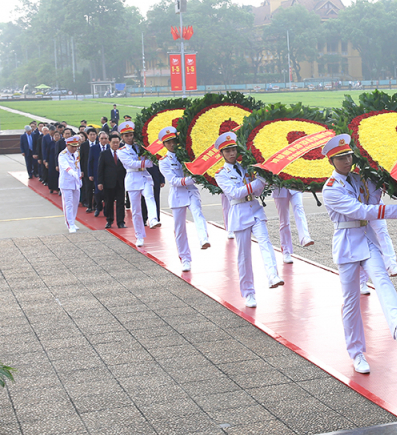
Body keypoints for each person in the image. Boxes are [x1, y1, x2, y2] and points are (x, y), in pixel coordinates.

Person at [321, 134, 397, 375]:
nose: (346, 160)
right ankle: (356, 352)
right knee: (351, 302)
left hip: (366, 240)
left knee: (383, 280)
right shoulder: (331, 189)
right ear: (331, 161)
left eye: (348, 156)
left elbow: (380, 192)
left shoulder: (361, 179)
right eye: (340, 158)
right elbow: (361, 210)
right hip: (346, 244)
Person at [214, 132, 282, 308]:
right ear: (221, 154)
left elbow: (257, 192)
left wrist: (265, 180)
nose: (232, 153)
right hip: (239, 213)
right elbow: (235, 193)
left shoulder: (246, 167)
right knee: (244, 256)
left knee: (265, 242)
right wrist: (259, 182)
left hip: (255, 209)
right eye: (227, 151)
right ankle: (249, 292)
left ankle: (273, 275)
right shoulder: (220, 174)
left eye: (234, 149)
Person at [158, 126, 210, 272]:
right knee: (179, 229)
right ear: (164, 145)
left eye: (174, 141)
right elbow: (174, 180)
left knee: (198, 213)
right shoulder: (163, 161)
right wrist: (192, 179)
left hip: (191, 192)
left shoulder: (186, 154)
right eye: (168, 142)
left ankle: (203, 238)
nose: (172, 144)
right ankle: (185, 258)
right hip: (177, 195)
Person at [117, 121, 160, 247]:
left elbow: (151, 160)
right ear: (122, 137)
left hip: (145, 176)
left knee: (149, 197)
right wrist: (145, 163)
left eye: (131, 135)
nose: (130, 137)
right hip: (132, 179)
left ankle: (152, 219)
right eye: (127, 135)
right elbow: (131, 164)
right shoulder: (121, 151)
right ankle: (139, 236)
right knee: (136, 211)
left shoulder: (140, 147)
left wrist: (147, 162)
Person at [272, 188, 314, 264]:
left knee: (299, 209)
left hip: (295, 187)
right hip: (279, 189)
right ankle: (286, 251)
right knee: (284, 220)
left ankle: (305, 237)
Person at [96, 133, 126, 228]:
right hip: (108, 182)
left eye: (117, 143)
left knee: (121, 203)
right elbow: (100, 169)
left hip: (121, 182)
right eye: (114, 143)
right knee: (109, 202)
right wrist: (100, 182)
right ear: (109, 143)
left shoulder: (123, 153)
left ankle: (121, 221)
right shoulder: (104, 154)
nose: (116, 145)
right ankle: (109, 220)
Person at [58, 135, 83, 233]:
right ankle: (69, 224)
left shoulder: (76, 153)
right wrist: (73, 173)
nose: (74, 148)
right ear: (67, 145)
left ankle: (72, 221)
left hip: (75, 182)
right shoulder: (62, 155)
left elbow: (78, 166)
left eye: (76, 146)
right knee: (68, 203)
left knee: (75, 203)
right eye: (72, 146)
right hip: (67, 182)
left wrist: (79, 178)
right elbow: (65, 166)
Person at [89, 131, 108, 217]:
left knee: (107, 192)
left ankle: (106, 209)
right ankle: (98, 207)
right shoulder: (94, 148)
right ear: (99, 139)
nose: (104, 140)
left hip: (108, 174)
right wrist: (90, 174)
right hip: (97, 173)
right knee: (97, 192)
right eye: (102, 138)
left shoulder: (109, 148)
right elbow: (90, 161)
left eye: (105, 138)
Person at [80, 128, 98, 212]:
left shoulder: (98, 144)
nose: (92, 136)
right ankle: (89, 205)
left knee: (97, 189)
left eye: (94, 134)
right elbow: (82, 159)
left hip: (97, 170)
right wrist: (82, 170)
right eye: (91, 134)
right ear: (87, 136)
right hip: (87, 170)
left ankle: (97, 205)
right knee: (88, 188)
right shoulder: (84, 145)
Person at [46, 129, 61, 194]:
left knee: (58, 175)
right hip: (51, 161)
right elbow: (47, 152)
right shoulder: (51, 143)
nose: (57, 137)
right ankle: (51, 188)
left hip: (59, 161)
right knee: (51, 174)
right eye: (55, 135)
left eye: (58, 135)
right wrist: (46, 161)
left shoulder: (61, 143)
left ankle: (58, 188)